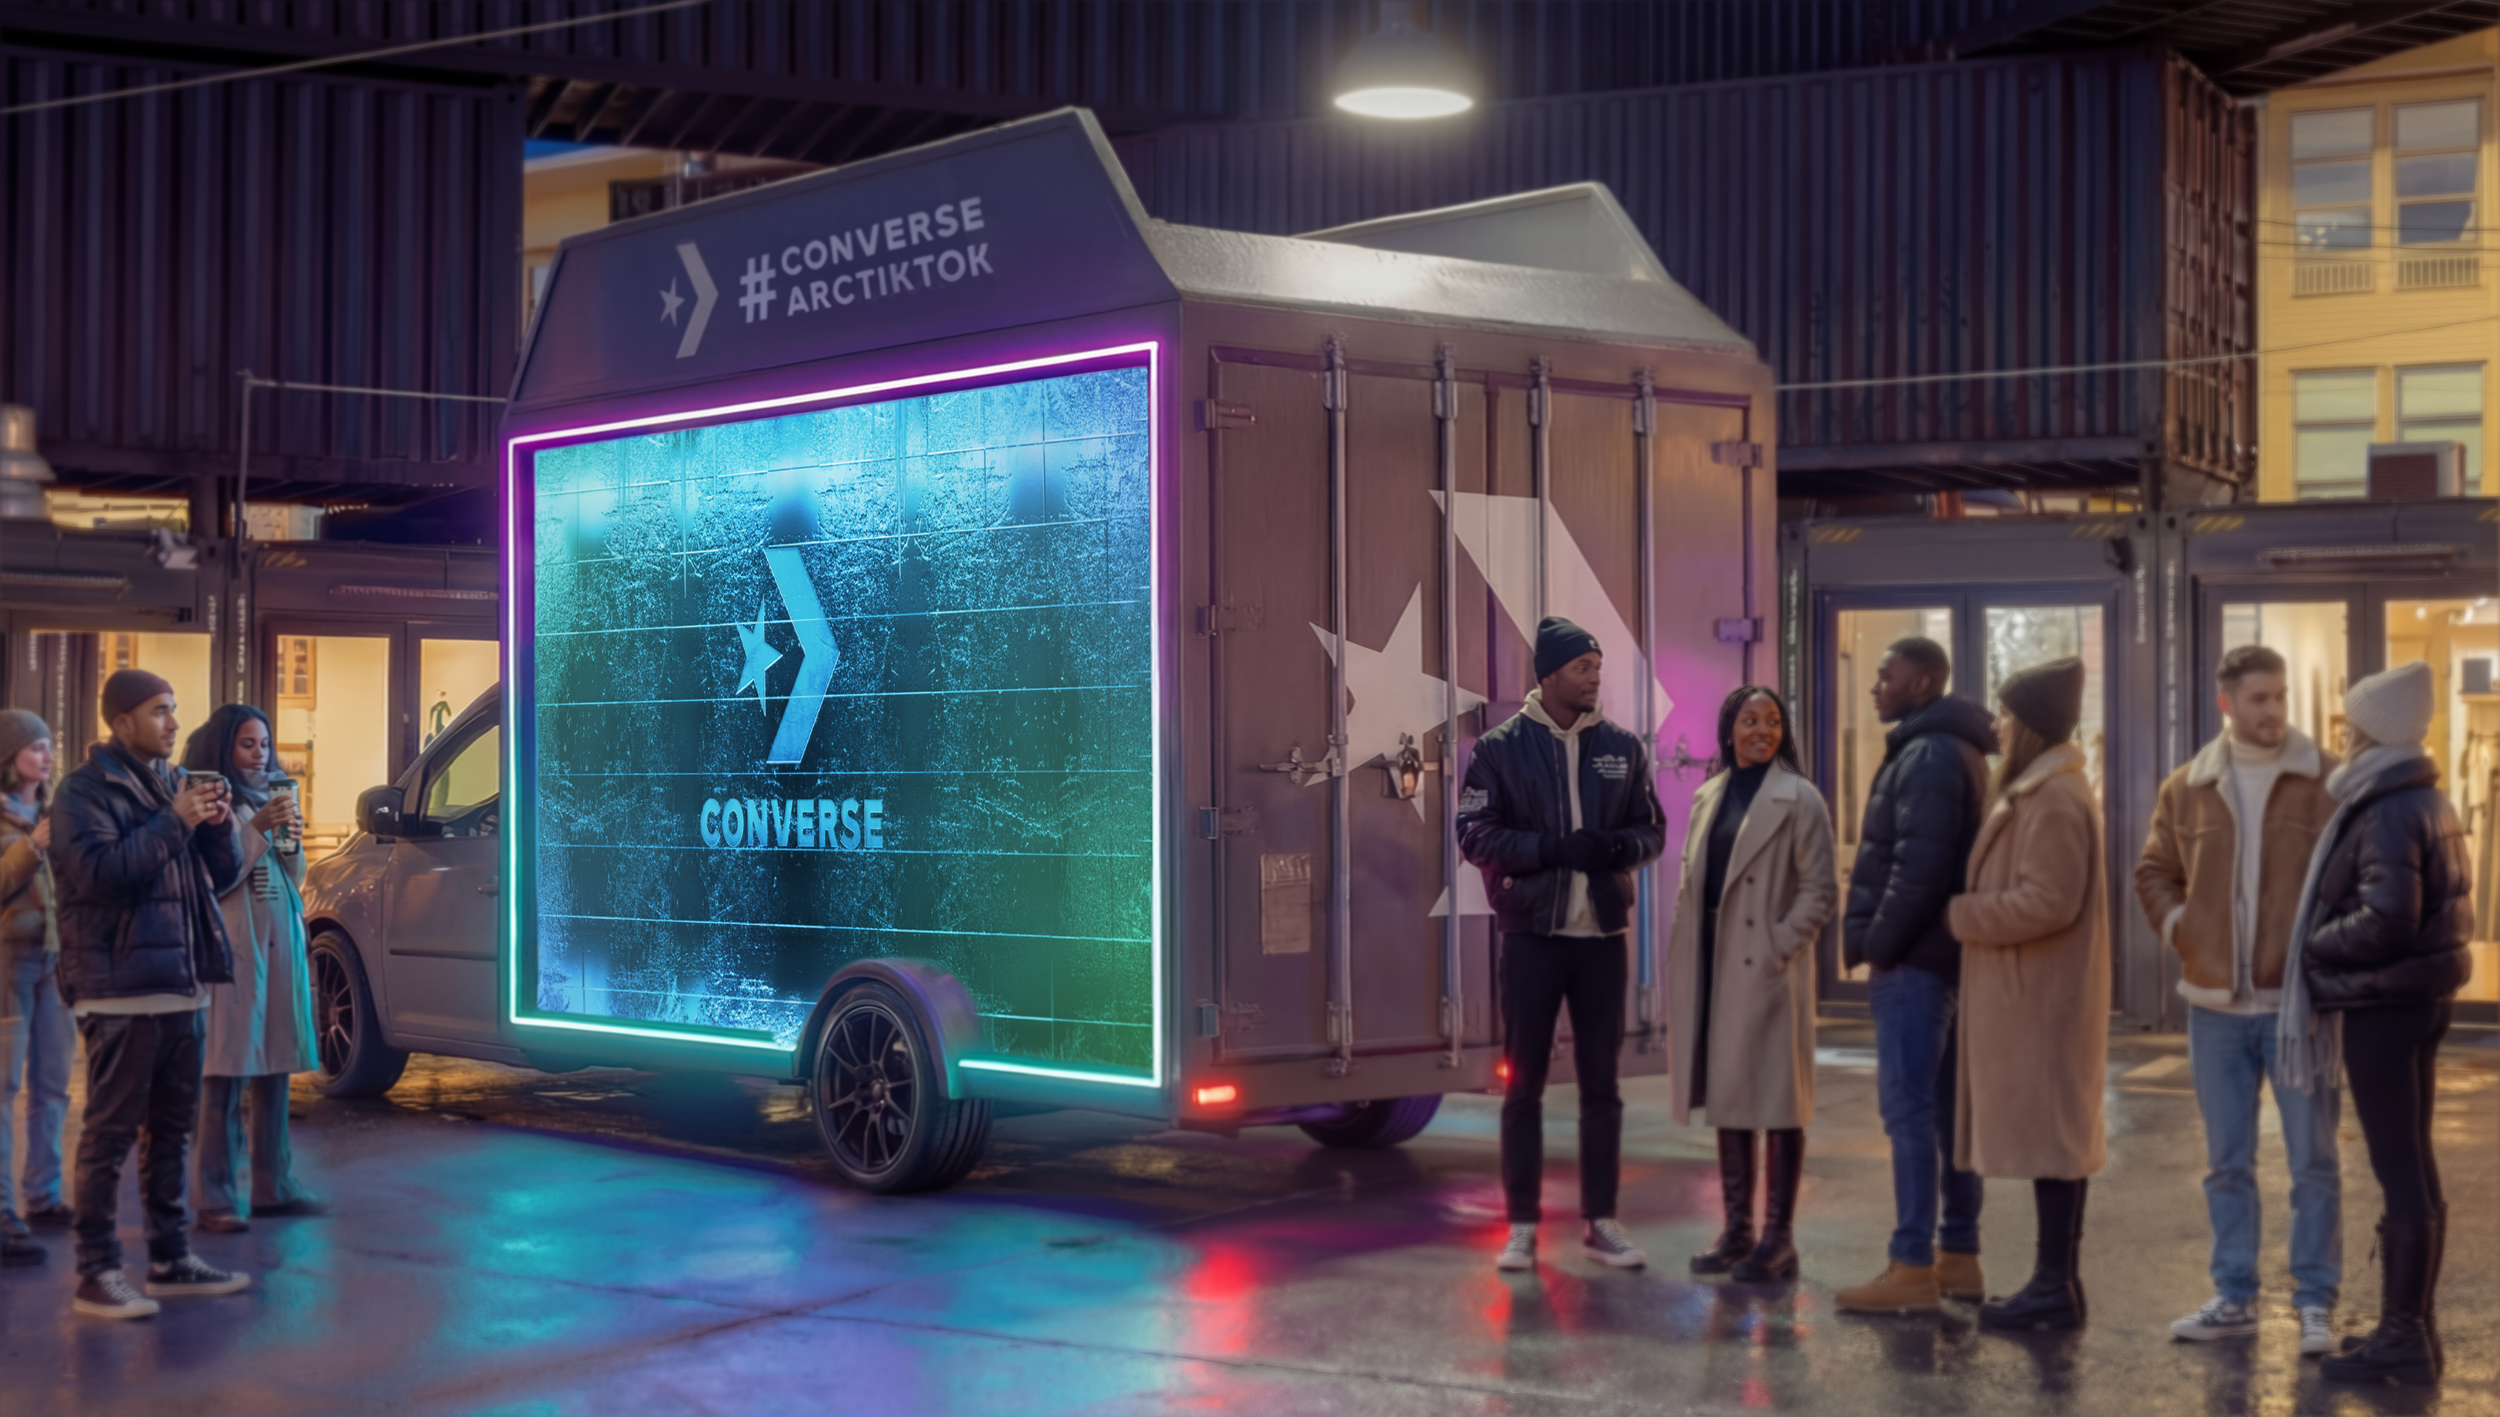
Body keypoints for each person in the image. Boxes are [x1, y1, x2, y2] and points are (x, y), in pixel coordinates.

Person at [2135, 645, 2342, 1354]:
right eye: (2259, 698)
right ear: (2227, 704)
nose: (2275, 709)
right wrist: (2182, 928)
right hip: (2215, 1007)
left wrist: (2324, 956)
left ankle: (2316, 1301)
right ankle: (2234, 1296)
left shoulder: (2326, 780)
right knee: (2227, 1163)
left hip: (2298, 1007)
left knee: (2314, 1162)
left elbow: (2355, 877)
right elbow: (2154, 871)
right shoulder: (2187, 786)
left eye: (2280, 695)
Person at [2281, 662, 2471, 1387]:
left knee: (2398, 1167)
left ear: (2373, 731)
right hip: (2416, 1001)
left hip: (2385, 1006)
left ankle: (2403, 1335)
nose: (2343, 732)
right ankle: (2411, 1325)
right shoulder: (2424, 796)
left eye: (2352, 722)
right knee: (2412, 1162)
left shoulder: (2387, 806)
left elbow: (2386, 920)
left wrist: (2313, 942)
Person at [1458, 615, 1666, 1273]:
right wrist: (1550, 849)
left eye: (1598, 666)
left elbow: (1652, 830)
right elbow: (1474, 835)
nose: (1594, 677)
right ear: (1549, 674)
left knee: (1602, 1086)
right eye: (1583, 667)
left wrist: (1616, 847)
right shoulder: (1499, 749)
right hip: (1533, 938)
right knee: (1524, 1086)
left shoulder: (1622, 746)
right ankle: (1521, 1226)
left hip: (1601, 938)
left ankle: (1602, 1223)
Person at [50, 669, 252, 1320]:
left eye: (173, 708)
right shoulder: (84, 791)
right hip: (119, 989)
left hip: (182, 984)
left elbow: (218, 875)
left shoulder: (176, 783)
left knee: (170, 1132)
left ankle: (170, 1258)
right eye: (159, 710)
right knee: (109, 1134)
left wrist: (215, 826)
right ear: (121, 721)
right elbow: (101, 875)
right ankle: (97, 1272)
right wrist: (175, 819)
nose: (173, 722)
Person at [1833, 637, 1997, 1316]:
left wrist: (1880, 944)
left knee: (1909, 1113)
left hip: (1917, 962)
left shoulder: (1927, 753)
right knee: (1948, 1110)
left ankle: (1911, 1265)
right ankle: (1958, 1255)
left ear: (1923, 683)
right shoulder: (1952, 748)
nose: (1877, 686)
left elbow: (1918, 866)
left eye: (1887, 675)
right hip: (1947, 957)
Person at [1947, 656, 2108, 1331]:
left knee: (2056, 1145)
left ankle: (2053, 1284)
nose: (1998, 724)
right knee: (2057, 1143)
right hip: (2040, 994)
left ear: (2033, 724)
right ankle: (2057, 1281)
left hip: (2043, 1000)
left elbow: (2050, 899)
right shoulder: (2045, 789)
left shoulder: (2055, 797)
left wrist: (1963, 914)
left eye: (2009, 713)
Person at [1668, 686, 1837, 1283]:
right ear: (1729, 729)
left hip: (1766, 968)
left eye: (1772, 721)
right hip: (1712, 958)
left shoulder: (1800, 797)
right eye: (1749, 720)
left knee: (1780, 1102)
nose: (1762, 730)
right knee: (1729, 1094)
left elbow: (1820, 890)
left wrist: (1778, 946)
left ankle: (1779, 1240)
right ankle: (1738, 1231)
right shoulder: (1708, 794)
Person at [182, 705, 321, 1233]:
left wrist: (291, 840)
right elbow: (215, 875)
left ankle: (273, 1182)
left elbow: (292, 874)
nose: (259, 754)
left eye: (264, 743)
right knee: (225, 1068)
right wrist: (257, 826)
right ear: (224, 748)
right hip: (234, 943)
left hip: (278, 939)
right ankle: (214, 1195)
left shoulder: (273, 797)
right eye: (247, 744)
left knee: (276, 1064)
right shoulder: (210, 803)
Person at [1, 709, 70, 1269]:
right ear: (10, 756)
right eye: (36, 747)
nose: (47, 756)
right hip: (8, 962)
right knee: (3, 1087)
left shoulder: (52, 813)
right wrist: (34, 847)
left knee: (53, 1084)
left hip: (54, 959)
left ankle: (43, 1194)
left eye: (49, 747)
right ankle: (3, 1213)